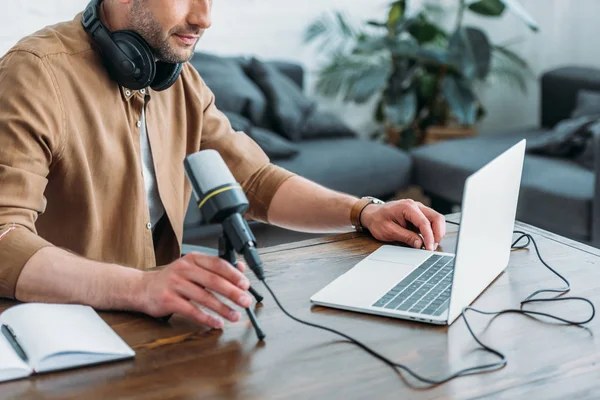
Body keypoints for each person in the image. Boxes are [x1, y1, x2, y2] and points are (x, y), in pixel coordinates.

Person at [0, 0, 446, 329]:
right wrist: (140, 287)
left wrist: (364, 211)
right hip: (62, 330)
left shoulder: (176, 76)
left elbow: (252, 179)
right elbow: (4, 238)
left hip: (158, 321)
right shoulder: (34, 73)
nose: (204, 17)